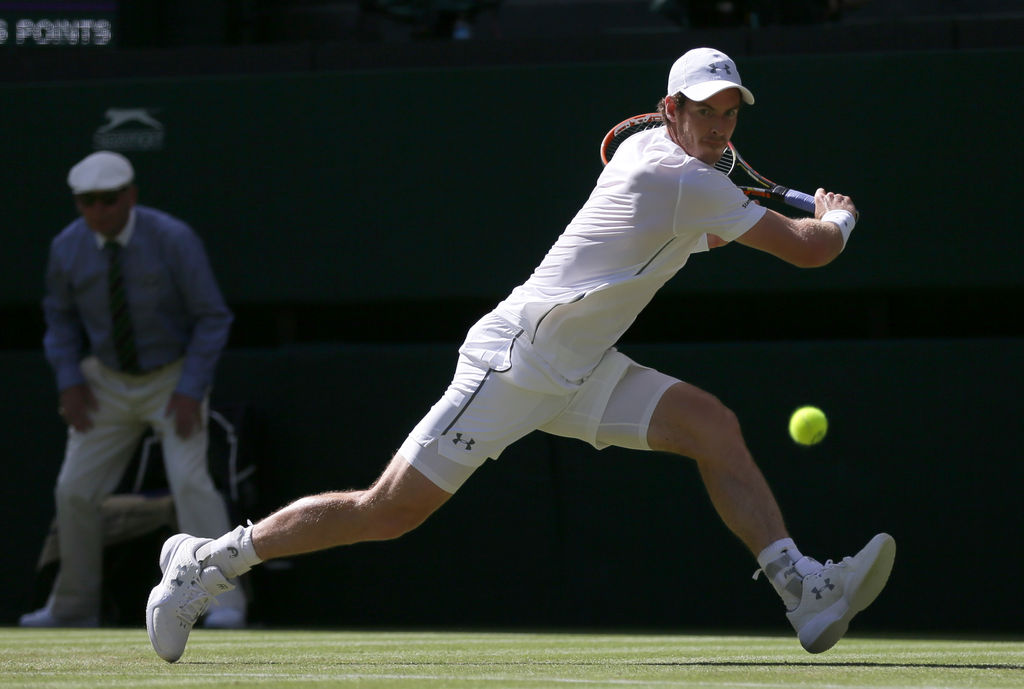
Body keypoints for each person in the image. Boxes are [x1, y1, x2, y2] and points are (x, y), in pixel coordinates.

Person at [146, 47, 894, 662]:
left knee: (711, 426)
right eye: (705, 111)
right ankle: (207, 564)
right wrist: (838, 220)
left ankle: (802, 590)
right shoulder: (677, 177)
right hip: (515, 361)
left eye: (730, 113)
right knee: (388, 511)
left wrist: (762, 219)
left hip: (582, 365)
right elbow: (809, 251)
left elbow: (698, 232)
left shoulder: (660, 158)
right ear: (671, 110)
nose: (720, 127)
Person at [21, 151, 247, 629]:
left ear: (130, 196)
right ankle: (74, 607)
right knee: (73, 491)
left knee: (190, 484)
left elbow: (211, 317)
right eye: (87, 201)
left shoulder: (173, 239)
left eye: (108, 199)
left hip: (172, 378)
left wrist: (190, 388)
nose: (98, 211)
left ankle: (225, 604)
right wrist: (69, 380)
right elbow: (59, 320)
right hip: (104, 382)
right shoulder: (67, 247)